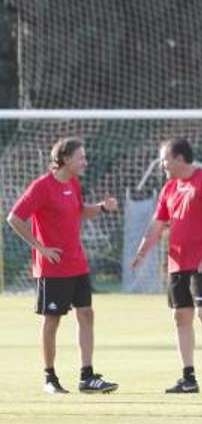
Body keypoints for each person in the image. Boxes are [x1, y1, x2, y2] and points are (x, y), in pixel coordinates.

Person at [7, 138, 120, 394]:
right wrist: (40, 247)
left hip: (76, 263)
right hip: (53, 267)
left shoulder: (73, 182)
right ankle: (50, 378)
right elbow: (14, 218)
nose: (85, 162)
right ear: (65, 159)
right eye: (81, 157)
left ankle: (87, 377)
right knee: (52, 321)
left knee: (86, 314)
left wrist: (102, 208)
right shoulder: (41, 186)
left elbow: (79, 211)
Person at [131, 139, 202, 394]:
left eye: (165, 159)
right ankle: (189, 378)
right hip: (177, 263)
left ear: (179, 159)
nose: (162, 164)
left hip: (201, 263)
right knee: (181, 317)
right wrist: (142, 251)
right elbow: (158, 224)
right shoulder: (169, 188)